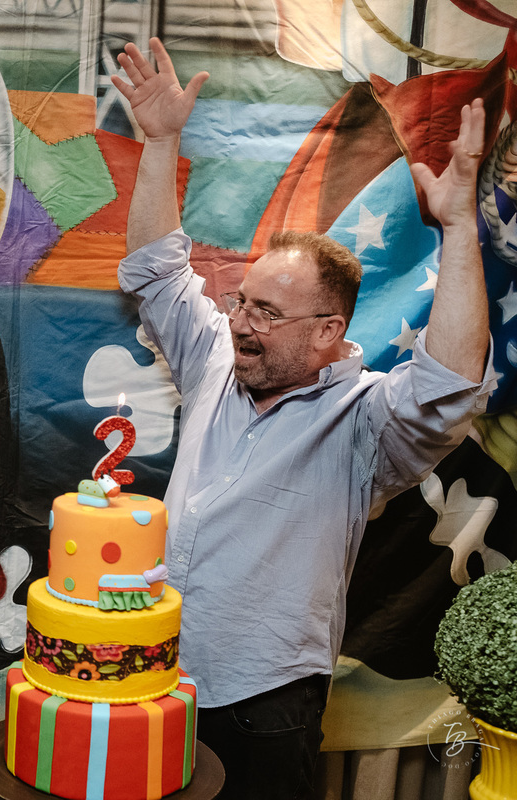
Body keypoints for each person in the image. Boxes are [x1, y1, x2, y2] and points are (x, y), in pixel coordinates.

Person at [111, 38, 496, 799]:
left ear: (327, 333)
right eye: (241, 301)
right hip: (157, 679)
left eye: (267, 312)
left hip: (264, 706)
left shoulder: (365, 421)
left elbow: (449, 381)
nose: (242, 322)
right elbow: (157, 268)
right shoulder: (218, 360)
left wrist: (458, 231)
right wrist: (161, 142)